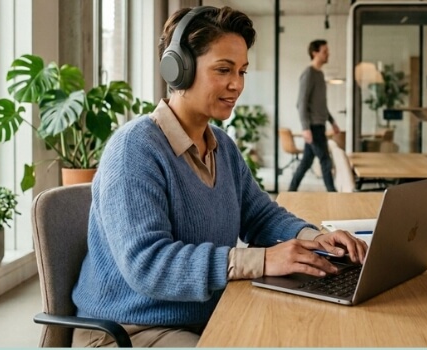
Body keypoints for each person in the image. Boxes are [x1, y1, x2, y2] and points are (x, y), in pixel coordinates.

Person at [71, 6, 367, 348]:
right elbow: (148, 265)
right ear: (178, 68)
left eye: (242, 71)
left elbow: (260, 216)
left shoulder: (221, 146)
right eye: (224, 69)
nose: (236, 84)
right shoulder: (134, 149)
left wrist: (316, 239)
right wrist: (263, 260)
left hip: (205, 315)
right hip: (130, 329)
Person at [288, 39, 342, 192]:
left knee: (306, 162)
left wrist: (332, 121)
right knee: (325, 160)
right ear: (315, 53)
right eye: (325, 51)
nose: (328, 54)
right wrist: (305, 128)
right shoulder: (309, 74)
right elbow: (301, 103)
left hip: (320, 125)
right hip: (313, 127)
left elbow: (321, 105)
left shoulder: (319, 74)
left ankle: (290, 191)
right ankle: (333, 194)